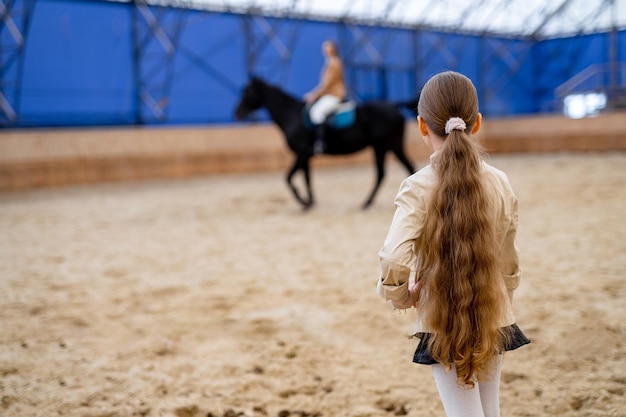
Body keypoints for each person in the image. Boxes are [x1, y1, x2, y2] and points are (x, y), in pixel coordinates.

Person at [376, 71, 530, 417]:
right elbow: (508, 258)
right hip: (493, 311)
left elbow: (392, 258)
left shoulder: (417, 187)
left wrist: (402, 296)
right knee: (490, 413)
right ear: (476, 124)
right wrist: (504, 298)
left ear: (421, 126)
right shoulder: (501, 182)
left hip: (441, 317)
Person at [304, 40, 347, 154]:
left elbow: (327, 84)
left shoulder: (334, 63)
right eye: (325, 47)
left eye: (328, 47)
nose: (325, 50)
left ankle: (321, 142)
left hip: (334, 95)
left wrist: (314, 95)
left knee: (316, 112)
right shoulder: (330, 63)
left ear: (333, 49)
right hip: (329, 94)